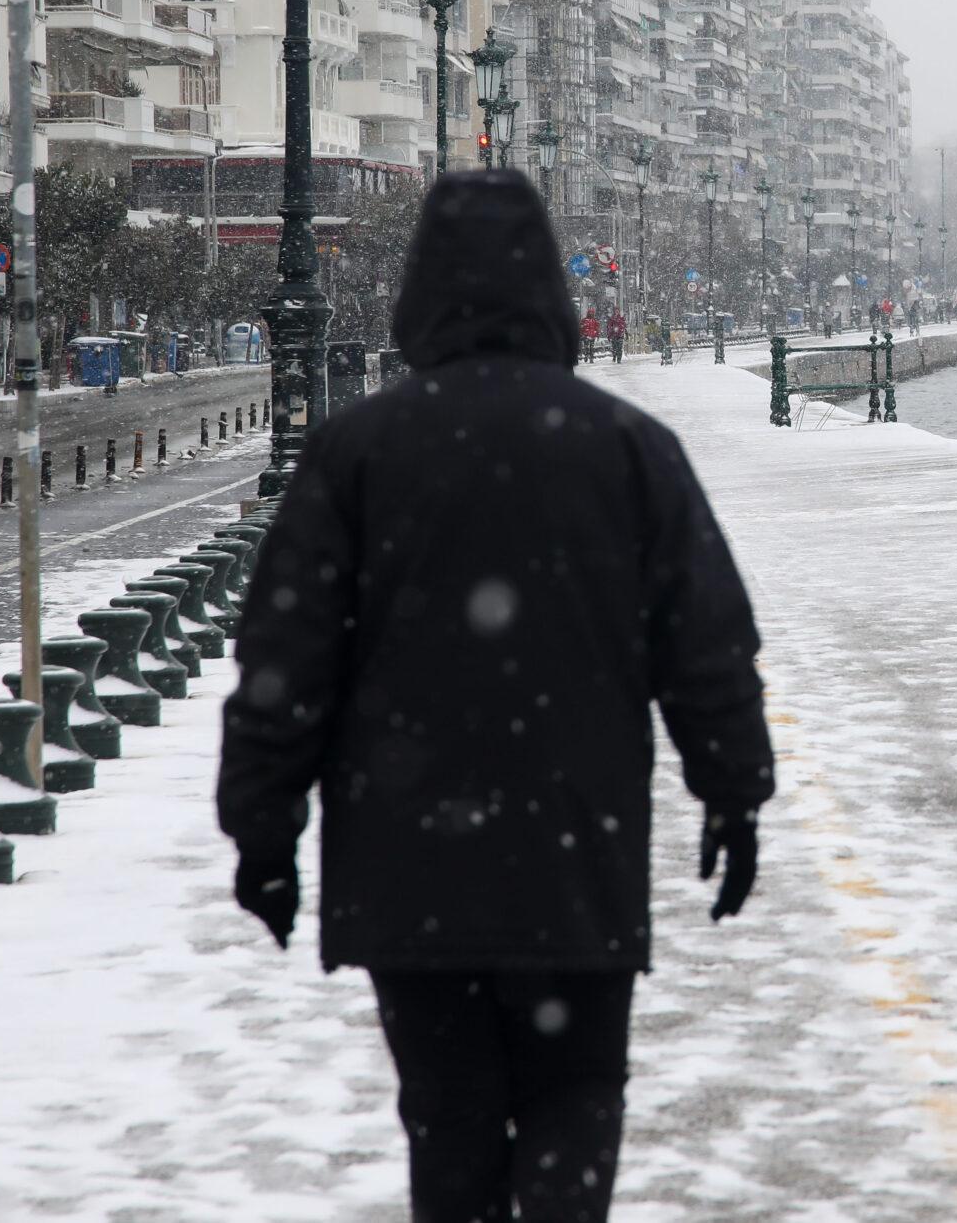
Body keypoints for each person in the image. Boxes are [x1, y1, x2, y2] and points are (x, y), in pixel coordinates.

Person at [219, 170, 774, 1223]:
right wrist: (734, 795)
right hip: (575, 856)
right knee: (574, 1106)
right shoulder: (624, 449)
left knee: (448, 1123)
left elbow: (284, 664)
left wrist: (261, 829)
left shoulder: (356, 454)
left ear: (417, 293)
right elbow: (706, 646)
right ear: (551, 296)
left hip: (407, 862)